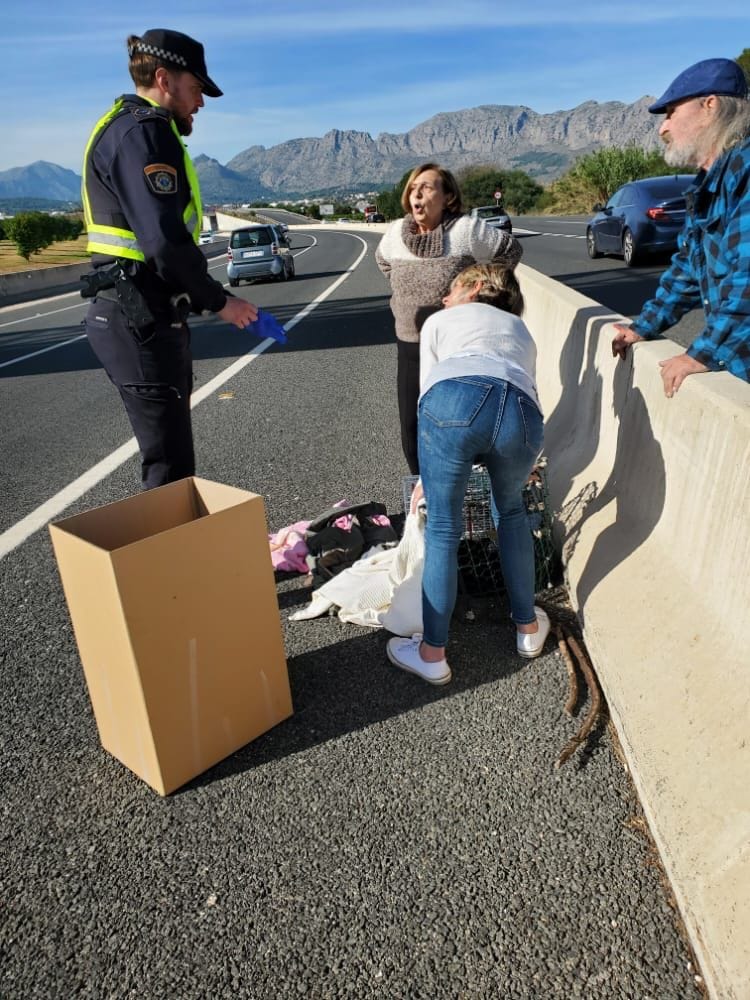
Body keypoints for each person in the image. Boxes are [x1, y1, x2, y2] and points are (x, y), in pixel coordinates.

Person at [81, 29, 258, 489]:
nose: (200, 102)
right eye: (196, 88)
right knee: (170, 468)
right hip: (138, 313)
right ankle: (169, 560)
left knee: (170, 460)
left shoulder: (123, 128)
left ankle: (176, 556)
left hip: (140, 310)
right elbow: (163, 240)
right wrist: (220, 301)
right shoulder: (145, 134)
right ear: (164, 78)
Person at [386, 264, 549, 686]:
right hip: (522, 413)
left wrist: (429, 470)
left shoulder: (440, 322)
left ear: (476, 287)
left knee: (443, 525)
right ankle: (528, 629)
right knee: (511, 511)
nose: (444, 298)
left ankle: (433, 653)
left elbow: (429, 392)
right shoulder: (520, 329)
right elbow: (525, 384)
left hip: (454, 399)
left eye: (452, 289)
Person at [611, 58, 750, 397]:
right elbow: (688, 270)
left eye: (671, 112)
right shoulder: (707, 185)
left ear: (710, 106)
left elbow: (747, 280)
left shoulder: (746, 171)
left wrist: (703, 353)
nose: (663, 129)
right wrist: (642, 327)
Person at [376, 163, 522, 474]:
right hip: (410, 346)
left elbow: (509, 251)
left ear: (448, 197)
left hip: (459, 349)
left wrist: (479, 298)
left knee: (464, 426)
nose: (417, 192)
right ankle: (424, 495)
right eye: (413, 187)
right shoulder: (394, 235)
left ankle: (473, 501)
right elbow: (383, 263)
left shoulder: (466, 231)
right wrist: (408, 295)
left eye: (427, 187)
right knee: (412, 429)